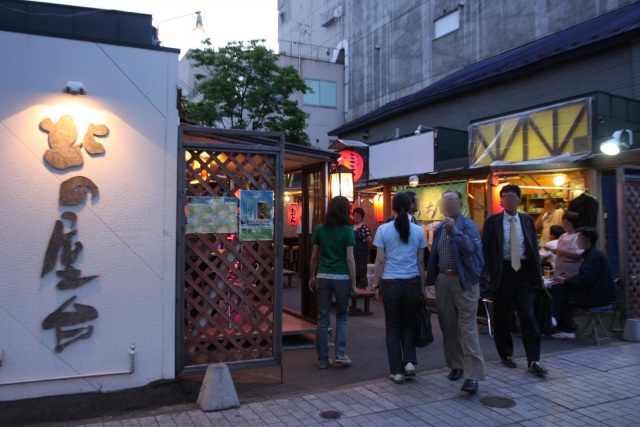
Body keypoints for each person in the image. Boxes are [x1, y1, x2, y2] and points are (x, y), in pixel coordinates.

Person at [481, 184, 547, 376]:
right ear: (501, 201)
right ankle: (506, 353)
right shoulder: (492, 221)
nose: (508, 201)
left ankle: (534, 359)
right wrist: (485, 270)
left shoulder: (526, 220)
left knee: (528, 315)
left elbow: (533, 248)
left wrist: (539, 276)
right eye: (505, 197)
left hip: (524, 272)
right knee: (502, 316)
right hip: (502, 271)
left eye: (512, 197)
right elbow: (485, 248)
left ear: (518, 199)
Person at [427, 190, 485, 394]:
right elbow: (434, 256)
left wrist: (455, 231)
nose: (448, 205)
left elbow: (470, 250)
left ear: (460, 205)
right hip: (443, 279)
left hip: (464, 281)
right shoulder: (439, 227)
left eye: (452, 201)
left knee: (468, 328)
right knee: (448, 326)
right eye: (445, 201)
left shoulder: (467, 225)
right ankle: (456, 365)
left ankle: (473, 376)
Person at [372, 192, 427, 384]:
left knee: (392, 327)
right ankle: (410, 362)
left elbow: (379, 261)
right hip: (412, 281)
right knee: (408, 323)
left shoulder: (383, 230)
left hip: (391, 282)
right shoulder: (418, 231)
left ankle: (396, 371)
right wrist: (422, 287)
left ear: (392, 207)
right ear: (411, 206)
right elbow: (421, 262)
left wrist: (376, 285)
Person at [308, 196, 357, 369]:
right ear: (345, 211)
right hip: (342, 277)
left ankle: (322, 359)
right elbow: (350, 258)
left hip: (322, 275)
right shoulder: (348, 231)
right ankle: (341, 354)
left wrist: (311, 276)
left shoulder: (320, 229)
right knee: (342, 316)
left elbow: (314, 256)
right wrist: (354, 283)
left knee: (322, 318)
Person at [550, 228, 617, 340]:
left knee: (562, 292)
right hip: (600, 293)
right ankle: (557, 320)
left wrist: (565, 280)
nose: (577, 242)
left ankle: (562, 324)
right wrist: (570, 278)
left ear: (587, 240)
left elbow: (585, 279)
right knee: (562, 290)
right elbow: (587, 277)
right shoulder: (594, 254)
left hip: (597, 297)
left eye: (579, 239)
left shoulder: (593, 256)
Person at [549, 212, 583, 279]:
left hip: (572, 274)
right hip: (559, 272)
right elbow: (559, 252)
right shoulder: (562, 236)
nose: (563, 225)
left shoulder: (578, 237)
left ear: (571, 223)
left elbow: (580, 255)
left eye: (564, 223)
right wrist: (553, 250)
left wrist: (562, 251)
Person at [352, 207, 373, 289]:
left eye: (358, 215)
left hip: (361, 252)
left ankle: (363, 288)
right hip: (352, 251)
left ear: (362, 217)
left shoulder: (364, 227)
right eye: (355, 215)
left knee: (361, 270)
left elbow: (370, 240)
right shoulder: (351, 227)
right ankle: (354, 286)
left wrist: (368, 251)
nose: (356, 217)